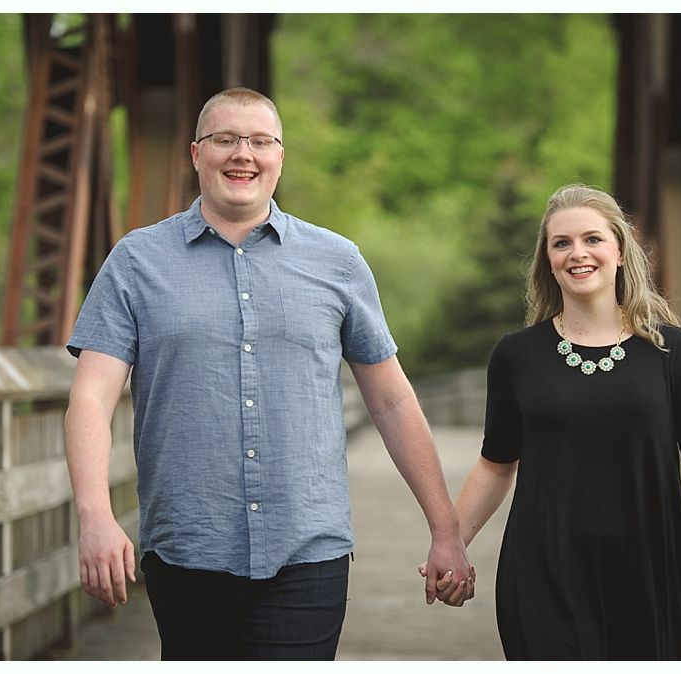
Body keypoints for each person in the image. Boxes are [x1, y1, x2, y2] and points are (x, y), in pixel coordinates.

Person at [64, 87, 473, 661]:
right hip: (187, 545)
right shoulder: (136, 261)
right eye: (225, 139)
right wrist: (96, 518)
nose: (243, 154)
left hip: (308, 547)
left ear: (281, 156)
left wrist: (446, 529)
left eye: (260, 141)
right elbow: (91, 397)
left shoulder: (337, 261)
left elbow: (392, 402)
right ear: (196, 153)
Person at [422, 184, 681, 659]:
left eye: (592, 239)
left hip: (648, 568)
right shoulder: (517, 355)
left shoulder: (670, 351)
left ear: (619, 248)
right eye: (562, 243)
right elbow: (495, 465)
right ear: (547, 260)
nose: (578, 253)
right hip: (543, 570)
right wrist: (451, 545)